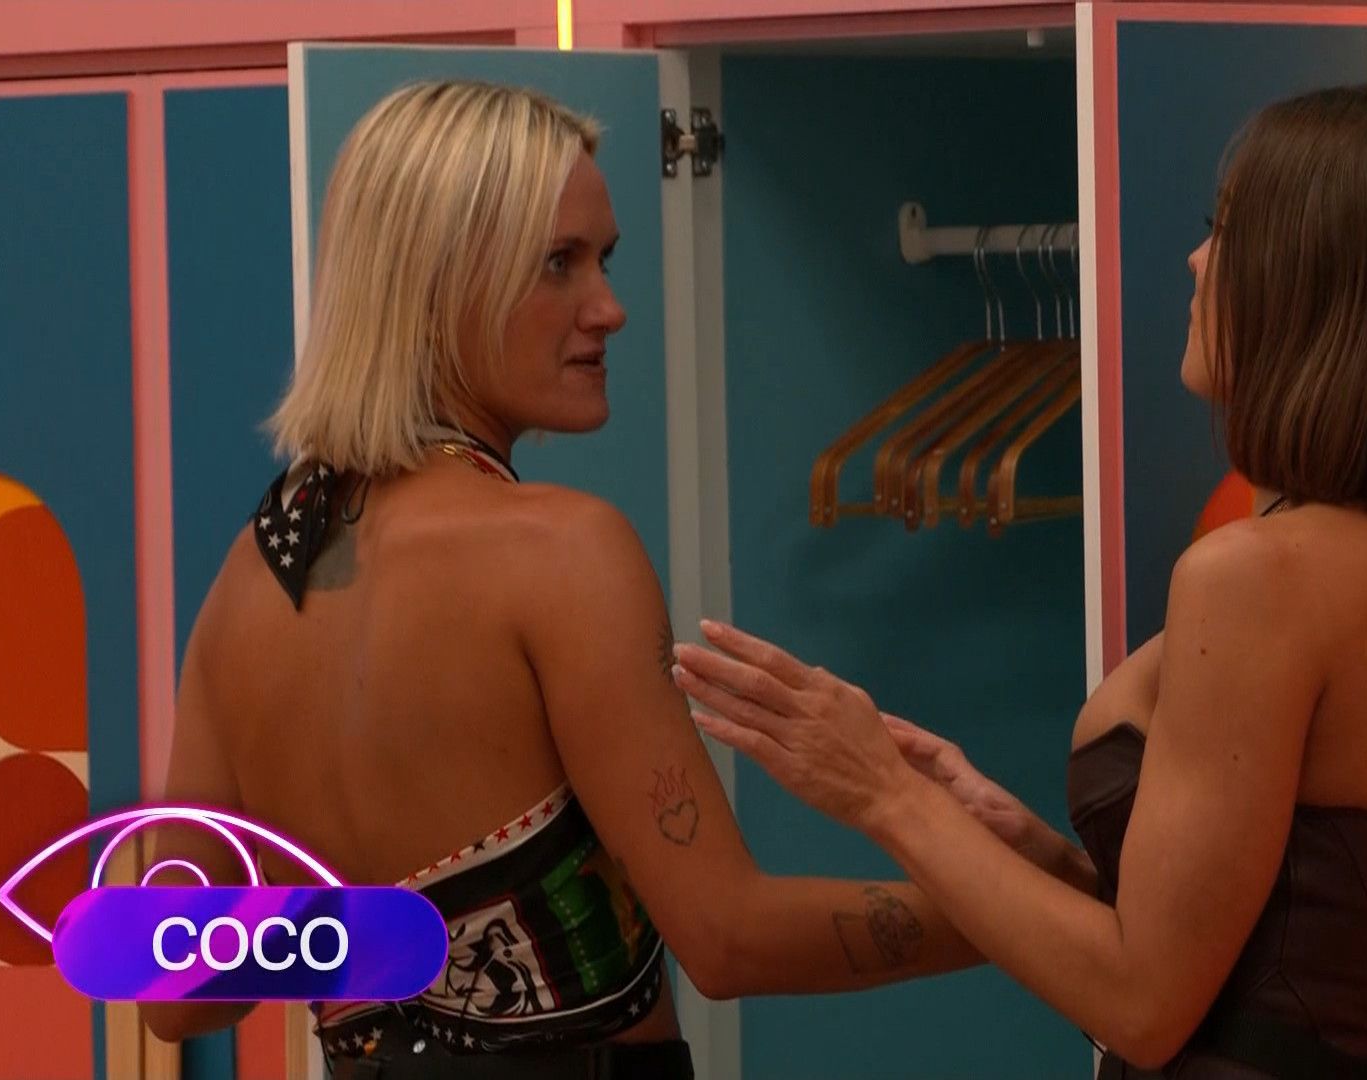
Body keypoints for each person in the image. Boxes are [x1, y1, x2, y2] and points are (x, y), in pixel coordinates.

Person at [136, 80, 982, 1079]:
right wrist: (1027, 909)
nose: (609, 309)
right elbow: (726, 935)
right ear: (439, 282)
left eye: (602, 260)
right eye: (558, 264)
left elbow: (175, 990)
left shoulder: (253, 575)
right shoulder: (561, 551)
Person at [673, 83, 1367, 1080]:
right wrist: (1028, 848)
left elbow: (1144, 1006)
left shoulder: (1262, 576)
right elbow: (1283, 950)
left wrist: (882, 794)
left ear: (1315, 281)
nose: (1195, 261)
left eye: (1224, 232)